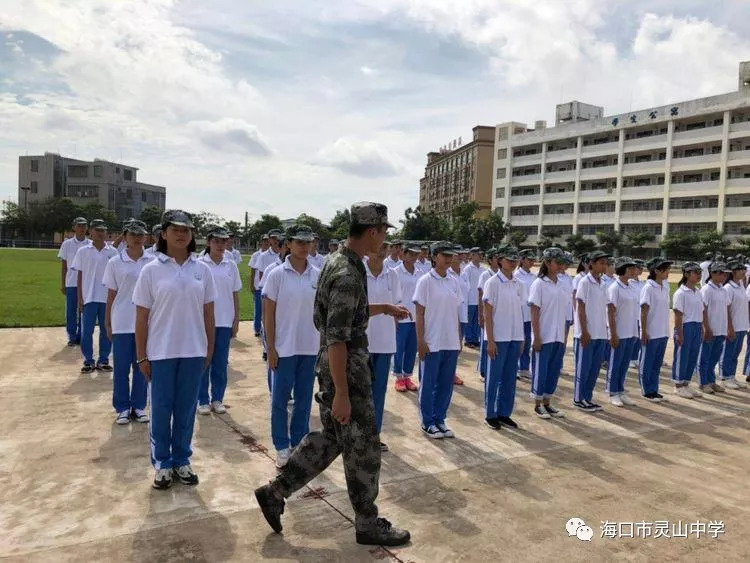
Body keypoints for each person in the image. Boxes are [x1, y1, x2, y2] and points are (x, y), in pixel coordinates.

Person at [255, 202, 412, 547]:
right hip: (347, 368)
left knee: (331, 439)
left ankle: (275, 491)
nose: (384, 238)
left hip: (338, 363)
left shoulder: (337, 263)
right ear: (372, 231)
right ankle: (367, 522)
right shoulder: (347, 273)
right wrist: (341, 391)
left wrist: (384, 308)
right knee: (364, 446)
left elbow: (343, 314)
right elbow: (339, 335)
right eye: (384, 232)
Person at [133, 209, 216, 490]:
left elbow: (209, 314)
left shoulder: (201, 270)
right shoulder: (151, 269)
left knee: (186, 408)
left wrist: (209, 349)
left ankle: (181, 459)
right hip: (161, 351)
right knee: (161, 409)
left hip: (193, 351)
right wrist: (142, 354)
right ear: (163, 234)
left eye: (186, 230)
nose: (181, 234)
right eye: (175, 229)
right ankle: (162, 463)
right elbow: (141, 317)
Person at [262, 224, 320, 468]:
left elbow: (322, 313)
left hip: (309, 347)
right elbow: (268, 315)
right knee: (280, 400)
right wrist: (271, 347)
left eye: (308, 242)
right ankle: (282, 445)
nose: (304, 247)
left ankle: (299, 440)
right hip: (284, 348)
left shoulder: (318, 274)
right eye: (299, 242)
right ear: (288, 245)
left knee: (305, 399)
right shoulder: (276, 274)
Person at [103, 219, 153, 425]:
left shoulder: (152, 261)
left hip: (146, 322)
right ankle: (122, 407)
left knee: (142, 366)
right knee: (122, 368)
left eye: (141, 235)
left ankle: (139, 406)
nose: (137, 238)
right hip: (122, 321)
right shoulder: (115, 262)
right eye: (133, 235)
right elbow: (111, 295)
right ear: (125, 237)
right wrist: (107, 323)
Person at [415, 241, 463, 439]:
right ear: (434, 257)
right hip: (432, 340)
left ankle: (440, 419)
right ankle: (427, 421)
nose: (449, 258)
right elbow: (419, 313)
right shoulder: (425, 281)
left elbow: (457, 312)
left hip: (450, 340)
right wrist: (421, 340)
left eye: (451, 255)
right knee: (429, 383)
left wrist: (459, 337)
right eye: (445, 255)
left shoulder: (454, 281)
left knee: (445, 383)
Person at [197, 227, 241, 415]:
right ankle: (202, 400)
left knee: (220, 362)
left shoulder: (230, 265)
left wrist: (236, 319)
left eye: (223, 241)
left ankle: (217, 398)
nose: (221, 245)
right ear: (208, 242)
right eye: (216, 241)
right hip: (203, 321)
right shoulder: (199, 264)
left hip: (224, 320)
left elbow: (234, 293)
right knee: (203, 361)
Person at [483, 245, 526, 429]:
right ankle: (490, 413)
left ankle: (504, 412)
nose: (513, 262)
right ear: (500, 260)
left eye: (515, 259)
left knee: (509, 378)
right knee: (494, 377)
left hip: (514, 337)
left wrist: (522, 338)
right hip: (498, 337)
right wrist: (490, 340)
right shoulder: (493, 282)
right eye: (509, 259)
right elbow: (487, 313)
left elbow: (521, 313)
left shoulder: (519, 284)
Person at [364, 241, 402, 452]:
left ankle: (373, 435)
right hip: (363, 340)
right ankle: (357, 436)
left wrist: (396, 315)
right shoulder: (358, 272)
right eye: (378, 245)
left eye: (385, 246)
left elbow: (396, 304)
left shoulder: (392, 275)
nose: (382, 249)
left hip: (385, 341)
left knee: (378, 392)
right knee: (360, 392)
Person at [71, 219, 119, 373]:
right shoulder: (83, 251)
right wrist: (79, 297)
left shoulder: (113, 252)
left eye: (103, 230)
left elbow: (117, 277)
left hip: (107, 298)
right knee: (87, 331)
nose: (100, 233)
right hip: (89, 296)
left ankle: (103, 359)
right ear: (90, 232)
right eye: (97, 230)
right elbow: (80, 275)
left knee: (107, 330)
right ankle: (88, 360)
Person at [528, 248, 568, 419]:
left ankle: (548, 402)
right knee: (541, 370)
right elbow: (535, 311)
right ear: (547, 262)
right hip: (544, 335)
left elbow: (565, 312)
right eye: (557, 262)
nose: (560, 266)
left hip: (558, 335)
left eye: (562, 263)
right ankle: (538, 404)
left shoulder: (561, 283)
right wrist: (536, 336)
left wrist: (564, 336)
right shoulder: (539, 284)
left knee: (553, 371)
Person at [573, 250, 611, 412]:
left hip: (600, 332)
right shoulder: (585, 282)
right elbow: (580, 308)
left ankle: (587, 397)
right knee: (584, 367)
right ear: (592, 264)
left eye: (605, 263)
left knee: (594, 368)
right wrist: (583, 331)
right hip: (586, 333)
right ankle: (578, 398)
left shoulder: (603, 283)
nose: (604, 266)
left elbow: (606, 309)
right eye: (601, 262)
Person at [605, 257, 640, 407]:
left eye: (634, 268)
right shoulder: (615, 288)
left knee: (624, 363)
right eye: (629, 268)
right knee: (616, 363)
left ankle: (621, 390)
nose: (633, 270)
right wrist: (613, 333)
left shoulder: (632, 287)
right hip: (619, 331)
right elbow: (611, 312)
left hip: (631, 331)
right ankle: (612, 391)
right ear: (621, 269)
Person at [638, 257, 671, 402]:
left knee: (656, 363)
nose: (668, 271)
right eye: (665, 269)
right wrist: (643, 331)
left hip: (663, 331)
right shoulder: (648, 287)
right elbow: (644, 311)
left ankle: (654, 389)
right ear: (656, 270)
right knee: (647, 362)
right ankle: (646, 390)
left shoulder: (665, 285)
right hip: (651, 331)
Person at [671, 262, 705, 398]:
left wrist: (701, 328)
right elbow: (678, 315)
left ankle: (686, 383)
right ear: (686, 274)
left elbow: (701, 311)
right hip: (686, 326)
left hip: (697, 325)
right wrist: (679, 333)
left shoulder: (697, 292)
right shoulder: (681, 293)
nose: (698, 275)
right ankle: (678, 385)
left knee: (692, 356)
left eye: (699, 272)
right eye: (695, 272)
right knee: (682, 356)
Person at [698, 262, 731, 394]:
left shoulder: (723, 289)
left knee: (714, 358)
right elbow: (703, 309)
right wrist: (706, 328)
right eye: (721, 273)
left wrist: (728, 327)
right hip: (711, 328)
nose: (724, 276)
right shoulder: (706, 289)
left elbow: (727, 309)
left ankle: (711, 381)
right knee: (704, 357)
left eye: (725, 273)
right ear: (713, 273)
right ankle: (703, 382)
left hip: (721, 328)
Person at [392, 246, 421, 392]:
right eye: (411, 254)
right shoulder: (396, 272)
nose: (414, 257)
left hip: (415, 317)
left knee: (411, 349)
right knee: (399, 348)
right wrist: (394, 316)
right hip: (400, 316)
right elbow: (392, 295)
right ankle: (398, 378)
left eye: (416, 254)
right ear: (403, 254)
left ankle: (407, 376)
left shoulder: (419, 273)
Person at [58, 217, 89, 346]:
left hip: (86, 283)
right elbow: (64, 265)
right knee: (70, 311)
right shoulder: (67, 244)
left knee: (84, 311)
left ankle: (82, 336)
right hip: (71, 282)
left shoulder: (90, 244)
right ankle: (72, 336)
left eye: (84, 226)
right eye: (79, 226)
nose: (82, 228)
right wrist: (63, 283)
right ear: (74, 227)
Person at [720, 260, 748, 389]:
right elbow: (726, 309)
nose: (743, 271)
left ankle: (731, 375)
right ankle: (725, 377)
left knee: (736, 352)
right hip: (733, 326)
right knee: (728, 352)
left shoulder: (741, 285)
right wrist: (729, 327)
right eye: (740, 269)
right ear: (732, 272)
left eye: (743, 269)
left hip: (742, 325)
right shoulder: (728, 288)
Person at [476, 248, 499, 384]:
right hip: (487, 313)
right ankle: (483, 370)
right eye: (496, 257)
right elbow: (481, 295)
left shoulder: (505, 275)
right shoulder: (486, 275)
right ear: (490, 260)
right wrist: (481, 315)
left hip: (499, 314)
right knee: (486, 342)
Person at [514, 249, 536, 379]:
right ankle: (514, 367)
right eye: (529, 259)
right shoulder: (516, 276)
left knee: (527, 343)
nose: (532, 262)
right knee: (518, 343)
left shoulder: (534, 277)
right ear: (522, 260)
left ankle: (524, 368)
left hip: (529, 315)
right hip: (518, 314)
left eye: (533, 260)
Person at [449, 250, 470, 385]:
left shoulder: (464, 273)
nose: (459, 256)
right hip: (451, 315)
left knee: (458, 346)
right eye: (456, 255)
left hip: (462, 314)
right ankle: (448, 372)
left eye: (459, 254)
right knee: (449, 346)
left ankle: (452, 372)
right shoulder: (448, 274)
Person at [461, 248, 485, 349]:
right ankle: (469, 339)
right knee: (469, 321)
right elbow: (466, 285)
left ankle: (475, 339)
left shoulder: (483, 269)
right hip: (470, 299)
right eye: (478, 254)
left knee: (477, 321)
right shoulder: (468, 269)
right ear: (473, 255)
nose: (480, 256)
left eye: (481, 254)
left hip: (479, 300)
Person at [248, 234, 271, 337]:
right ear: (260, 242)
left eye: (267, 240)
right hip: (259, 285)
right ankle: (257, 329)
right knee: (258, 308)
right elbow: (253, 270)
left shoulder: (274, 254)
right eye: (264, 240)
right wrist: (252, 284)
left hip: (270, 286)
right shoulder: (256, 255)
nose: (266, 242)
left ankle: (267, 328)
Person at [629, 260, 647, 369]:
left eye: (641, 268)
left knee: (638, 338)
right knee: (631, 338)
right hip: (631, 314)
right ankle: (630, 358)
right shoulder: (629, 283)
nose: (640, 270)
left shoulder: (642, 284)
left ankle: (635, 357)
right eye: (638, 267)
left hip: (639, 314)